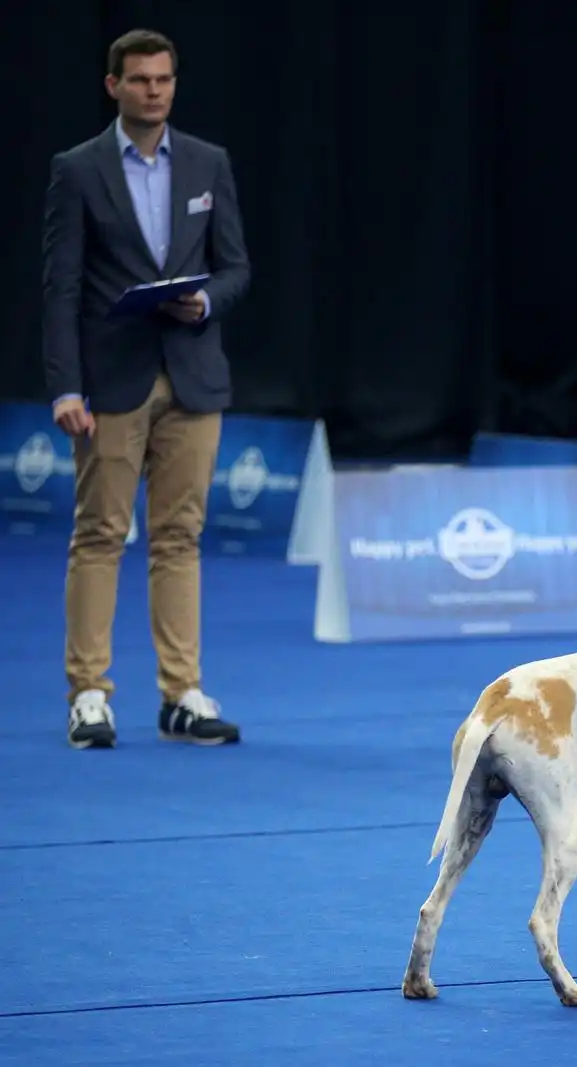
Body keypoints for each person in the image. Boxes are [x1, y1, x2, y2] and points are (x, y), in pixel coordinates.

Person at [41, 28, 251, 750]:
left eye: (163, 79)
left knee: (179, 537)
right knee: (100, 533)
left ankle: (181, 692)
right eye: (139, 80)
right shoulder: (78, 170)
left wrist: (206, 302)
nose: (153, 90)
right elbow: (61, 286)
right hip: (112, 379)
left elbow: (235, 267)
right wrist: (66, 385)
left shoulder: (207, 161)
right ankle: (89, 693)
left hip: (193, 371)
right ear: (114, 87)